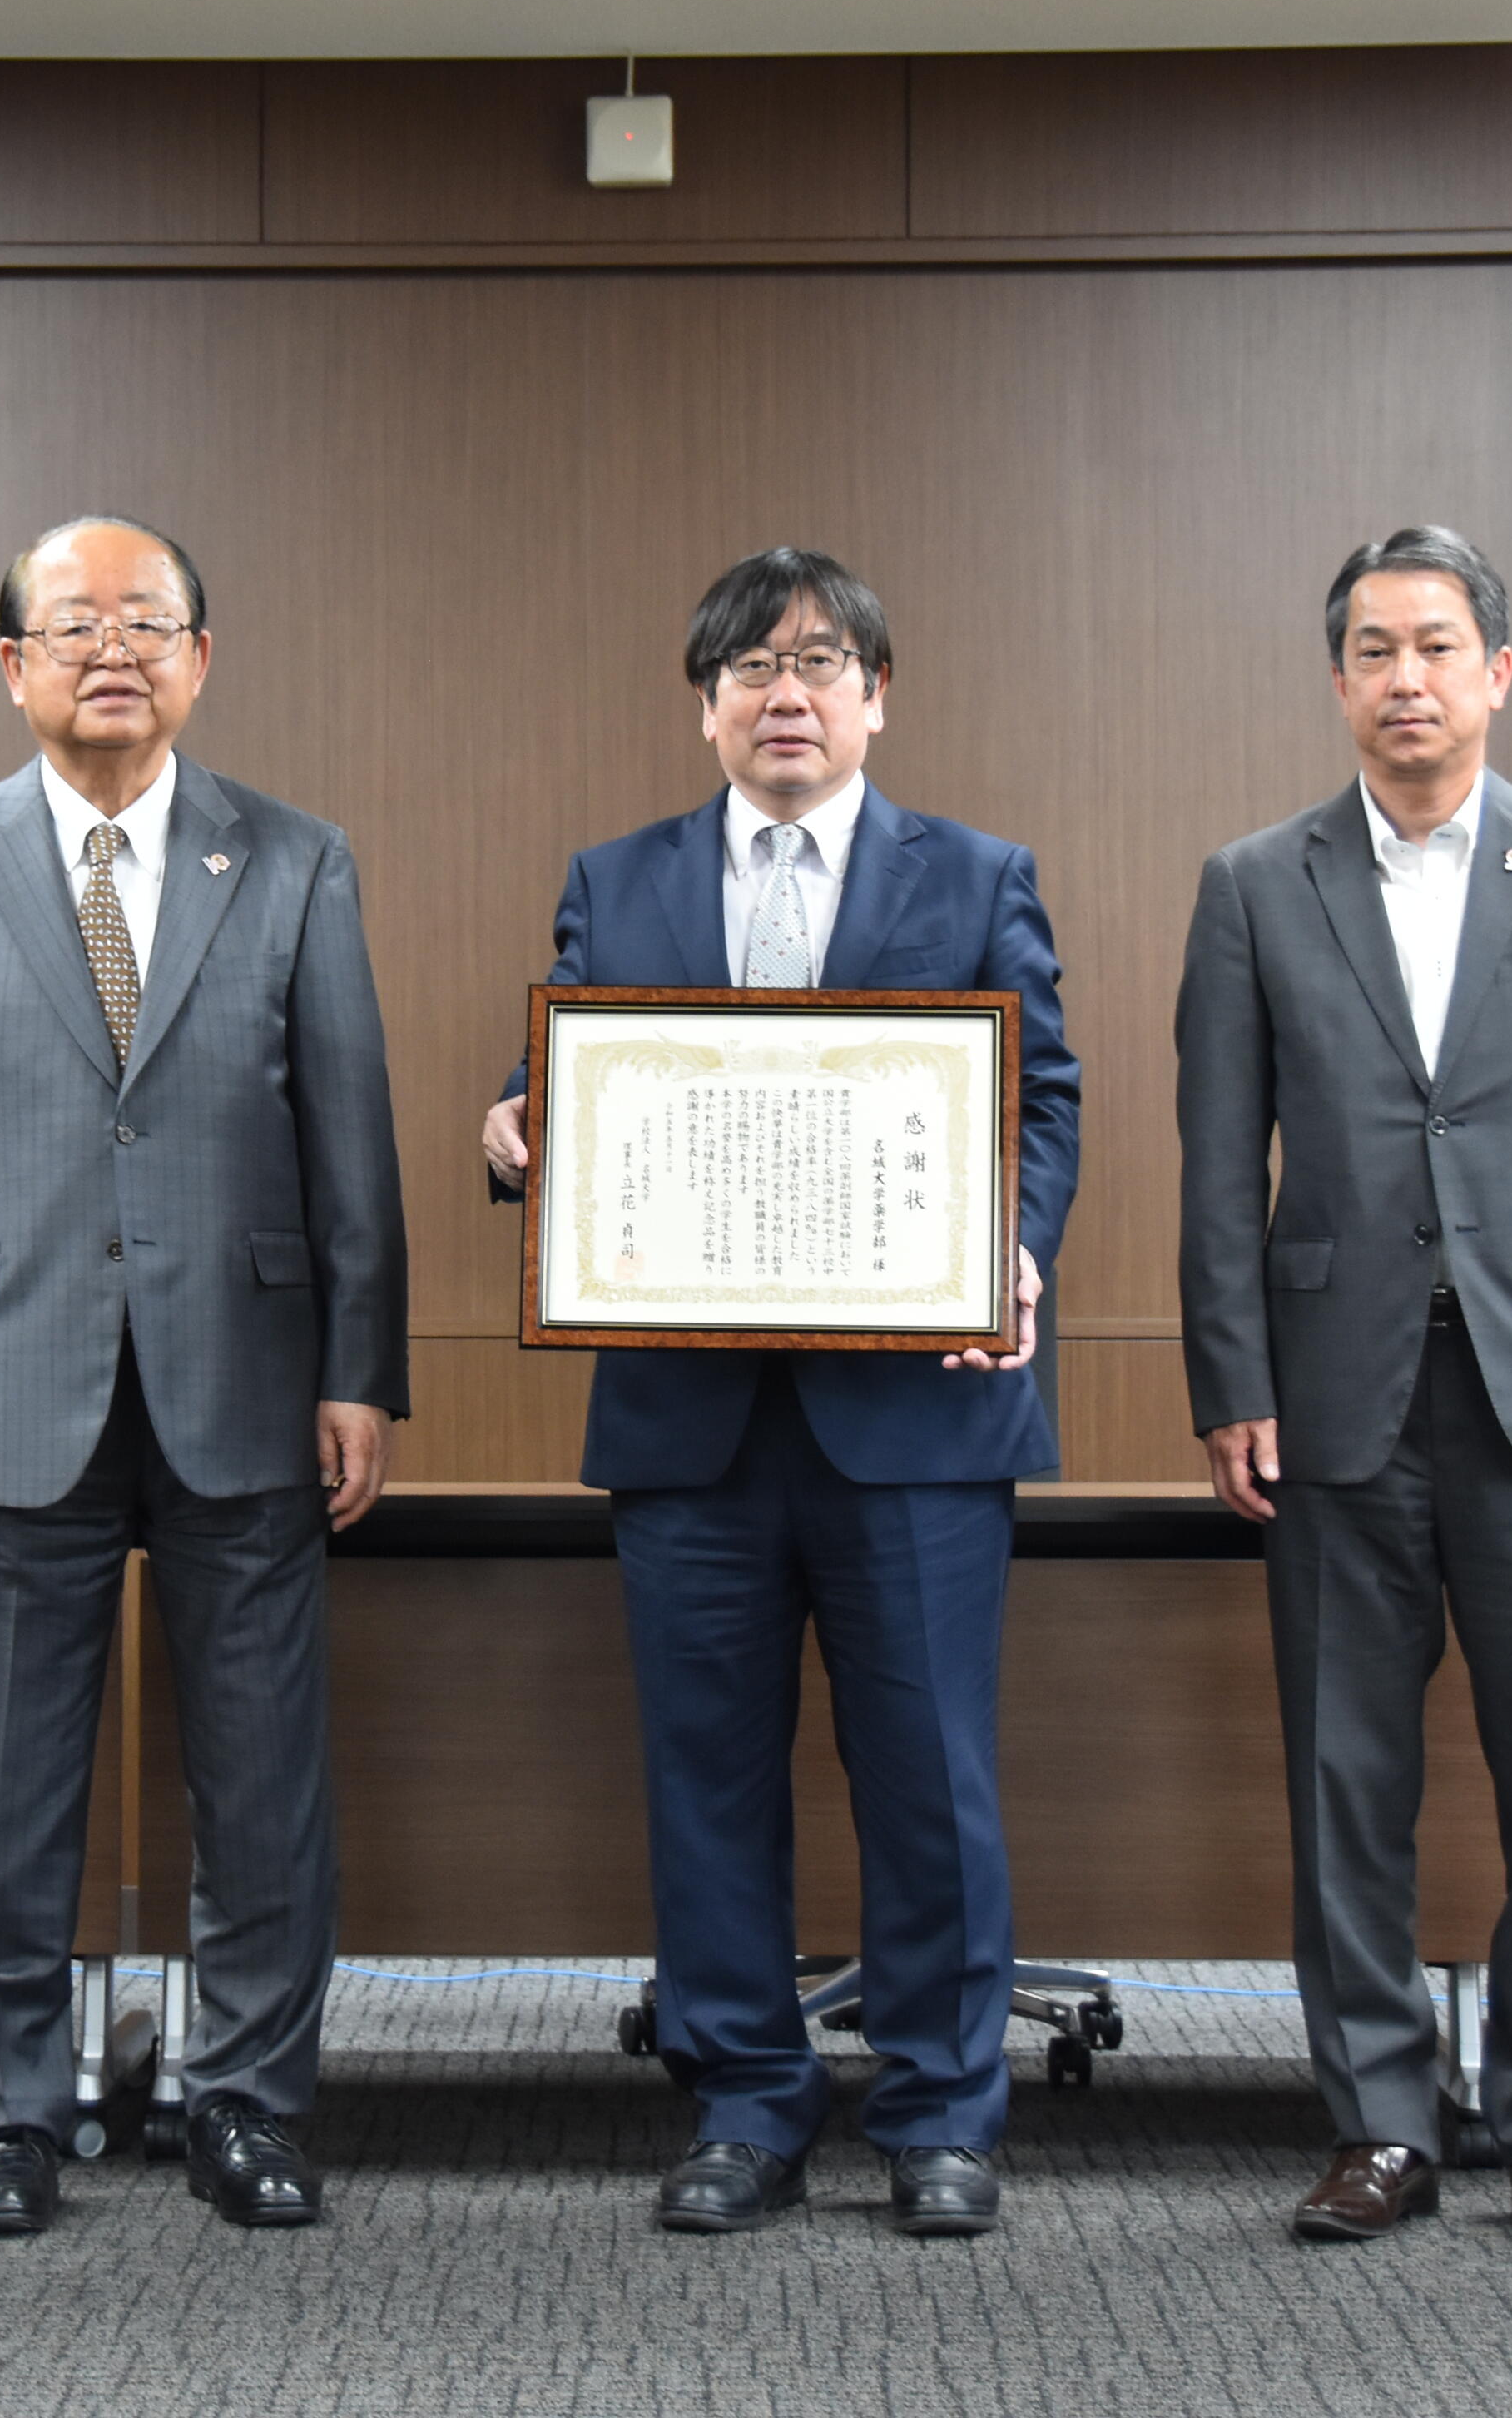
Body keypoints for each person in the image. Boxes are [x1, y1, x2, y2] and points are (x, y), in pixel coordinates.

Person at [480, 547, 1078, 2237]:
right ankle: (745, 2099)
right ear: (706, 706)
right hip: (693, 1428)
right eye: (750, 666)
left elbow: (1039, 1107)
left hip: (918, 1421)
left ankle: (945, 2112)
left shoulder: (975, 876)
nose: (785, 692)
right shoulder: (620, 879)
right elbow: (565, 1081)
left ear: (876, 697)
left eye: (820, 661)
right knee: (707, 1776)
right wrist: (515, 1127)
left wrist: (1013, 1250)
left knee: (931, 1781)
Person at [0, 515, 407, 2237]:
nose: (112, 653)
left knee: (262, 1781)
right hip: (9, 1379)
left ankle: (248, 2102)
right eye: (73, 626)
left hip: (248, 1375)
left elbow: (351, 1143)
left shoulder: (294, 862)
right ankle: (8, 2115)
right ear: (11, 666)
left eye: (147, 625)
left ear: (200, 661)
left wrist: (361, 1368)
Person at [1173, 526, 1512, 2254]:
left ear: (1496, 671)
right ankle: (1379, 2123)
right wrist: (1227, 1377)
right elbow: (1213, 1164)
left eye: (1436, 645)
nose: (1405, 678)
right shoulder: (1255, 882)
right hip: (1330, 1397)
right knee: (1345, 1776)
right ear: (1336, 681)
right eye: (1372, 650)